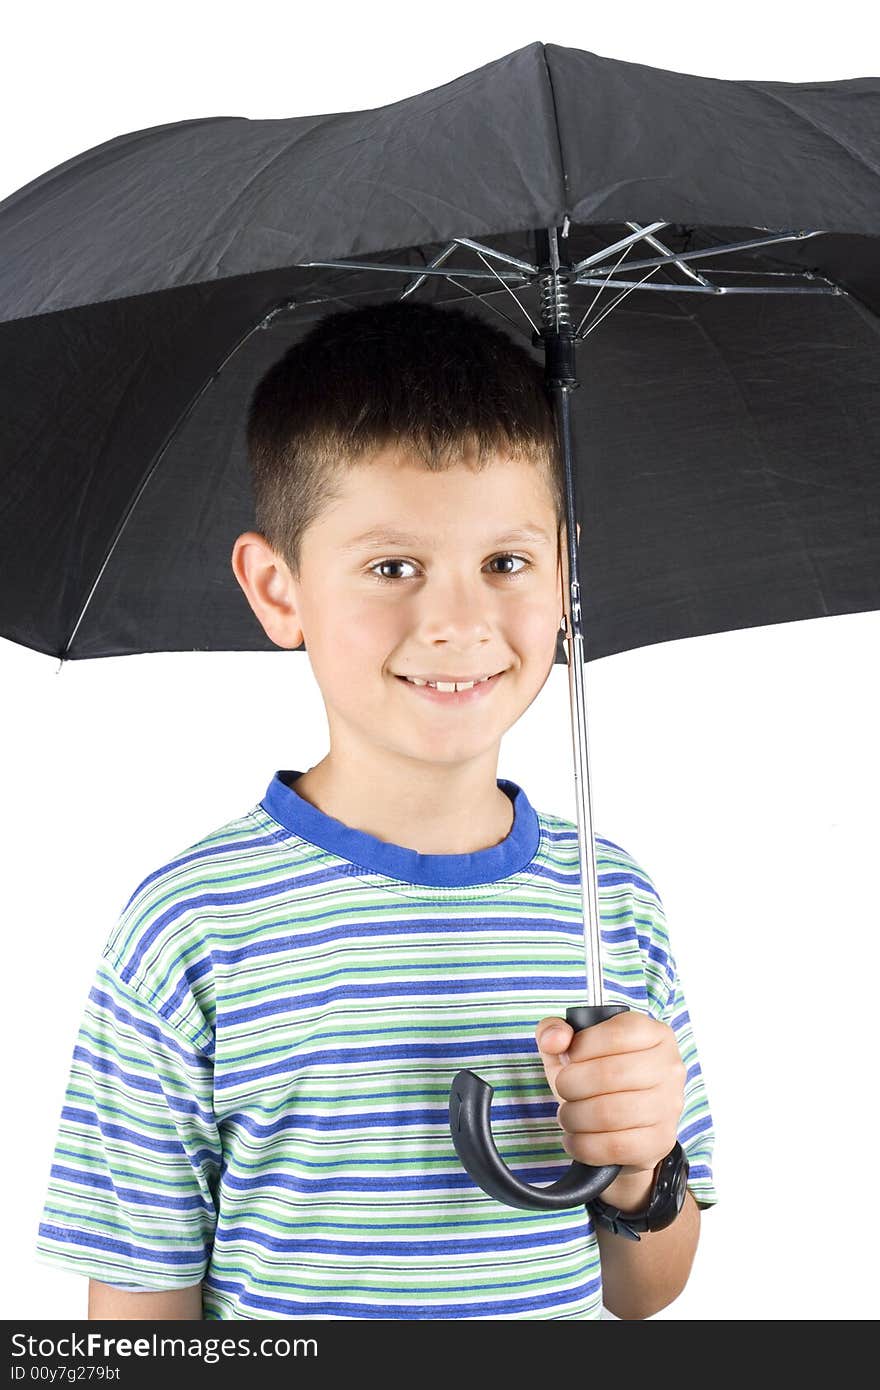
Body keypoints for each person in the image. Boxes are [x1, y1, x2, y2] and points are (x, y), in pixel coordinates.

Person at [35, 300, 717, 1321]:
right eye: (393, 567)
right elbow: (139, 1316)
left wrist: (637, 1166)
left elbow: (644, 1290)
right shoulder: (190, 929)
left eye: (506, 562)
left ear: (566, 569)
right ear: (279, 588)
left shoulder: (607, 901)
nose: (456, 622)